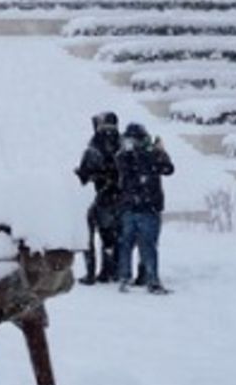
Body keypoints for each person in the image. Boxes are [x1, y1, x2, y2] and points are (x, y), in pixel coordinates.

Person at [115, 123, 174, 294]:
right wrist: (159, 151)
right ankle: (151, 280)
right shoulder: (151, 155)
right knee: (148, 246)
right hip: (148, 208)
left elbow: (168, 169)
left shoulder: (124, 156)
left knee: (126, 244)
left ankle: (125, 278)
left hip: (130, 207)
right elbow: (168, 168)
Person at [74, 111, 123, 284]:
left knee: (90, 239)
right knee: (110, 238)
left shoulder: (94, 147)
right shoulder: (121, 144)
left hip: (96, 197)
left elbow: (83, 175)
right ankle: (109, 271)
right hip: (117, 197)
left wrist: (86, 175)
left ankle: (91, 273)